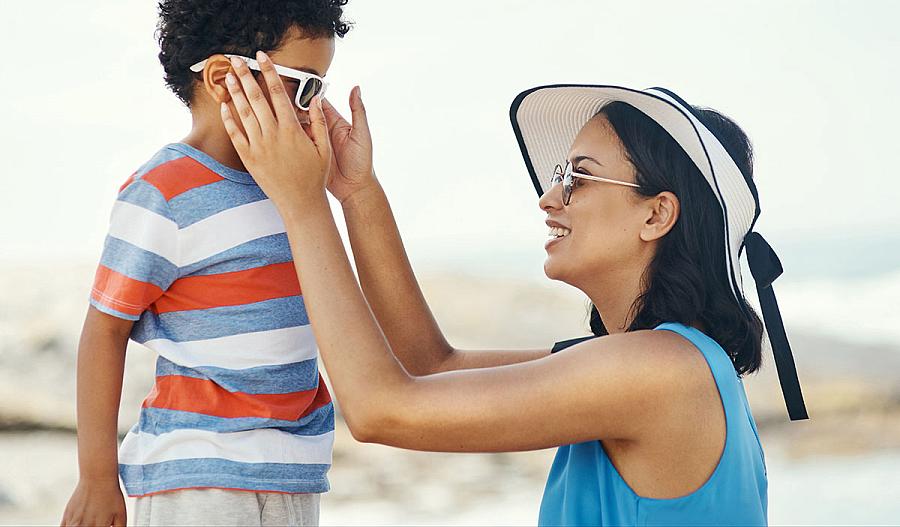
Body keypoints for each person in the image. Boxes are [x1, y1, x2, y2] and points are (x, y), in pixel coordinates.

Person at [219, 55, 807, 525]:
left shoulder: (659, 371)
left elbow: (380, 410)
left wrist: (300, 204)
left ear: (657, 215)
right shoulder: (657, 361)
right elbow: (428, 365)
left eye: (578, 175)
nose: (549, 199)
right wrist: (354, 190)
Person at [60, 2, 351, 526]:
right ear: (223, 78)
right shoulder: (164, 192)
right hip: (195, 475)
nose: (313, 108)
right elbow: (104, 331)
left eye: (321, 89)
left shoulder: (296, 188)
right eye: (303, 86)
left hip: (293, 472)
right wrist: (97, 478)